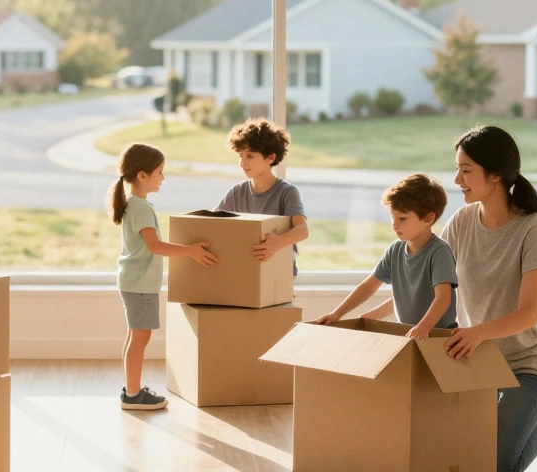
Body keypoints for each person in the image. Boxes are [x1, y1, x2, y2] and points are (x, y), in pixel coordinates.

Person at [440, 125, 537, 472]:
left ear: (495, 174)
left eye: (466, 170)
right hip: (477, 362)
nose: (457, 179)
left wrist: (477, 333)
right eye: (458, 168)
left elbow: (529, 314)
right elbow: (433, 286)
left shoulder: (534, 229)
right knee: (450, 453)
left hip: (526, 367)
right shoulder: (461, 222)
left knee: (497, 469)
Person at [109, 142, 216, 410]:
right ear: (142, 176)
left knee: (135, 336)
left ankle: (130, 390)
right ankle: (133, 395)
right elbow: (155, 246)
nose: (163, 178)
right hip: (140, 284)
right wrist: (190, 251)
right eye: (160, 172)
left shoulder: (135, 204)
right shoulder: (141, 208)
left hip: (133, 281)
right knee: (140, 338)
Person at [315, 173, 457, 338]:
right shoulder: (395, 250)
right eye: (392, 217)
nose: (394, 225)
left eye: (402, 218)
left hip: (438, 336)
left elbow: (443, 298)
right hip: (409, 334)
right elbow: (370, 285)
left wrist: (423, 327)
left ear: (428, 218)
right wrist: (337, 314)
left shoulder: (439, 252)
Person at [213, 118, 309, 273]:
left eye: (250, 156)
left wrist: (278, 242)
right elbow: (210, 224)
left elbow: (302, 230)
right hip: (244, 273)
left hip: (278, 276)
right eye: (240, 156)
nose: (242, 163)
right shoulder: (236, 193)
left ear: (270, 157)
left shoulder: (287, 192)